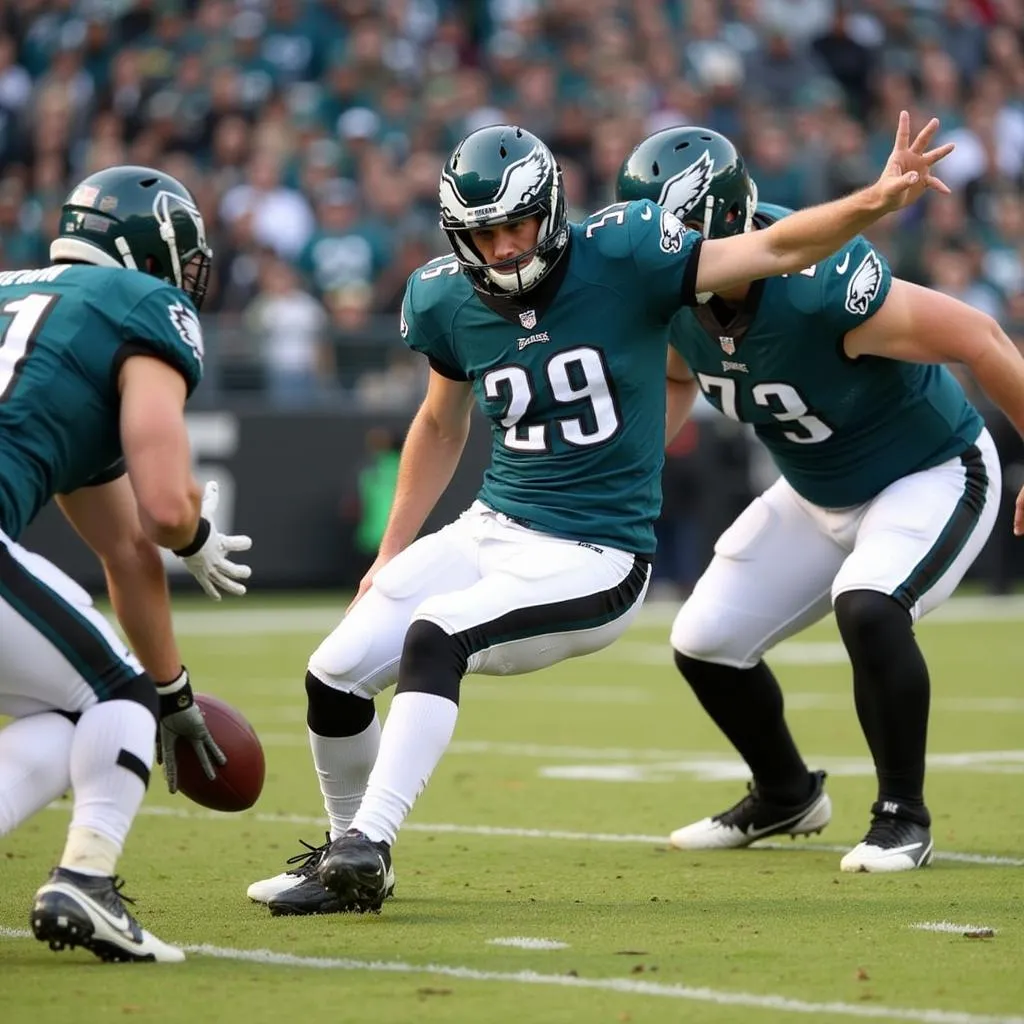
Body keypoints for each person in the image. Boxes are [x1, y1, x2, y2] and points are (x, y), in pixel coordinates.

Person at [246, 114, 951, 915]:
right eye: (484, 235)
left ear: (548, 211)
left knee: (434, 636)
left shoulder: (626, 252)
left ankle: (368, 844)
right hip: (492, 526)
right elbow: (442, 423)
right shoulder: (443, 296)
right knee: (332, 674)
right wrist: (391, 549)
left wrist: (877, 199)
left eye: (516, 225)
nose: (504, 248)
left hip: (593, 552)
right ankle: (346, 856)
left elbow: (776, 250)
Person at [615, 125, 1024, 872]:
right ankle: (786, 794)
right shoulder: (672, 297)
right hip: (812, 490)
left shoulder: (821, 285)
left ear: (729, 224)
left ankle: (903, 814)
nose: (660, 262)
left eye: (675, 241)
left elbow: (980, 337)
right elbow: (679, 375)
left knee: (868, 604)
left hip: (929, 469)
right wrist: (634, 463)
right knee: (705, 642)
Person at [0, 165, 252, 961]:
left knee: (69, 714)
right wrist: (196, 535)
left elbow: (123, 548)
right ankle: (87, 881)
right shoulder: (144, 305)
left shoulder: (21, 298)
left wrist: (172, 696)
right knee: (113, 694)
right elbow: (166, 512)